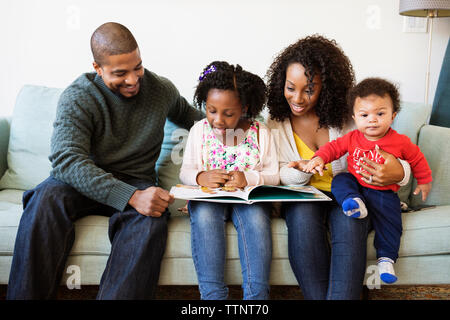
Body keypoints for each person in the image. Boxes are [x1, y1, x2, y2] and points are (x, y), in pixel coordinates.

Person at [7, 22, 204, 299]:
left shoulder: (161, 90)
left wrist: (238, 123)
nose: (133, 79)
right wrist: (130, 196)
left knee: (151, 220)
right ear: (98, 68)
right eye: (120, 73)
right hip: (82, 181)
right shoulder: (79, 95)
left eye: (138, 67)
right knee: (44, 198)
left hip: (136, 179)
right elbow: (66, 161)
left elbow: (196, 120)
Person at [265, 35, 411, 299]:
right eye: (290, 87)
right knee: (302, 220)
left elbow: (395, 156)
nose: (297, 98)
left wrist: (399, 171)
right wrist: (301, 169)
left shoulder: (354, 116)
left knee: (351, 221)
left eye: (309, 90)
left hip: (351, 193)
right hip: (304, 197)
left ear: (327, 87)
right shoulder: (275, 123)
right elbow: (278, 175)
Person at [290, 77, 432, 284]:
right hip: (356, 187)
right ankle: (352, 202)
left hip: (382, 192)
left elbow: (417, 159)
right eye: (365, 115)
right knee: (341, 179)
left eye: (380, 114)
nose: (372, 120)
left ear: (393, 116)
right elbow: (333, 148)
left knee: (391, 224)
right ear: (355, 117)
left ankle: (386, 259)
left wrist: (424, 180)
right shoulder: (352, 137)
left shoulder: (400, 141)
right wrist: (318, 158)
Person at [179, 61, 279, 300]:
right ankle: (212, 297)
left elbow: (274, 174)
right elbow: (185, 172)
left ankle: (256, 298)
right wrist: (201, 176)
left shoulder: (260, 132)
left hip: (248, 200)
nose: (218, 120)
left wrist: (249, 178)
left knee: (255, 220)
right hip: (210, 200)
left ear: (244, 108)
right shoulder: (199, 131)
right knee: (203, 215)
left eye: (228, 113)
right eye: (211, 110)